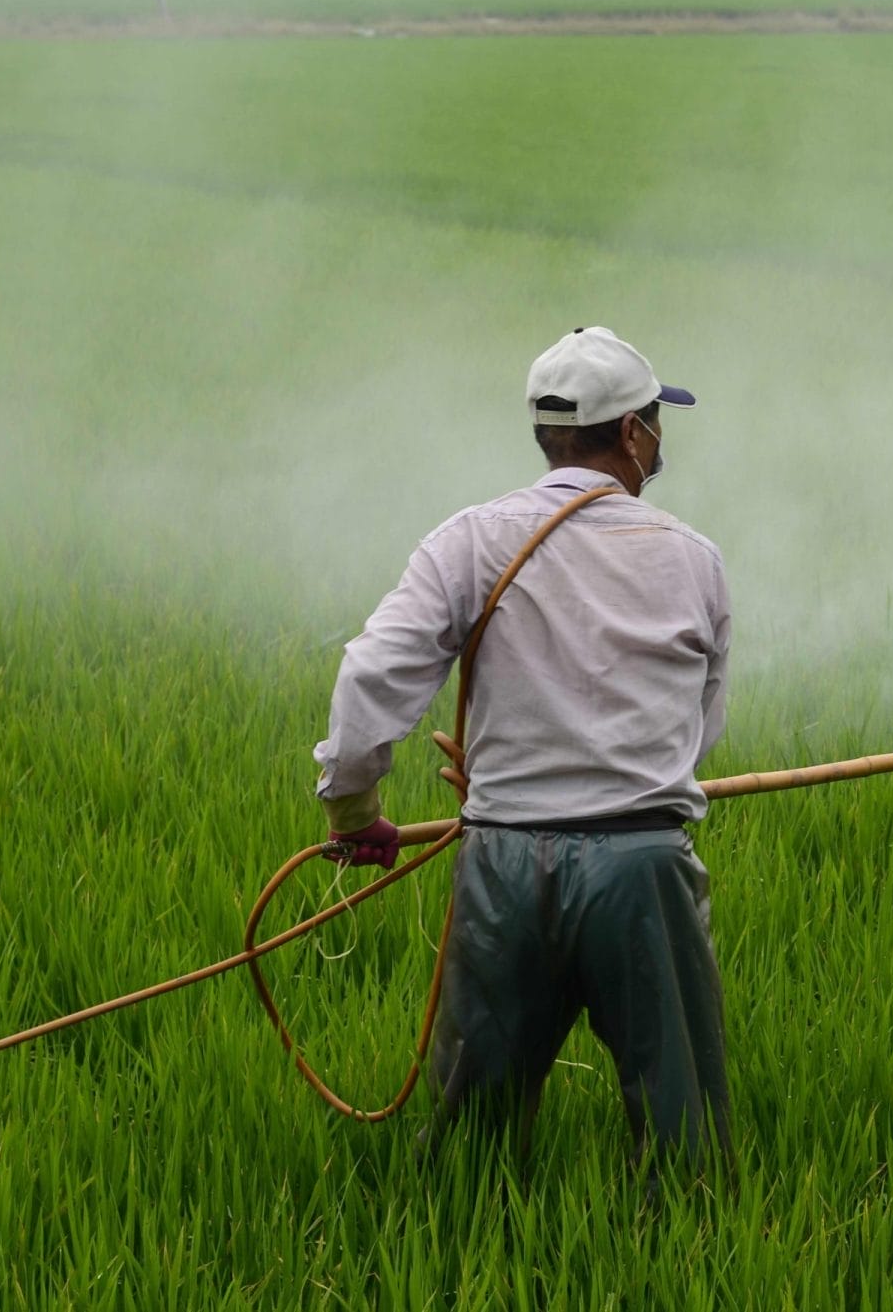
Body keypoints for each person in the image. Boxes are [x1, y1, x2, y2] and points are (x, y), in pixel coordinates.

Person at [311, 326, 732, 1181]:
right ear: (628, 432)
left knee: (473, 1144)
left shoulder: (470, 539)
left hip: (502, 861)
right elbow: (698, 732)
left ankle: (457, 1258)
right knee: (685, 1137)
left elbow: (371, 674)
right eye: (654, 420)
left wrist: (355, 812)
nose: (657, 439)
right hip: (643, 866)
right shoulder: (692, 559)